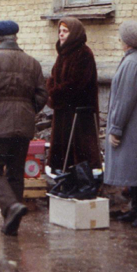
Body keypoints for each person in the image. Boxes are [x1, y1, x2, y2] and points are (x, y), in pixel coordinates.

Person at [0, 20, 48, 236]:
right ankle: (11, 223)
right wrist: (27, 109)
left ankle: (11, 207)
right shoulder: (32, 62)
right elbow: (42, 94)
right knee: (16, 172)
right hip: (23, 125)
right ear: (15, 38)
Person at [104, 21, 137, 228]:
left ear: (127, 41)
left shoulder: (132, 64)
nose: (119, 41)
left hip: (132, 125)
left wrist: (115, 127)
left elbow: (124, 100)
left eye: (121, 38)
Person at [46, 17, 102, 174]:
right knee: (63, 148)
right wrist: (51, 89)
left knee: (79, 150)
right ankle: (64, 177)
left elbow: (76, 83)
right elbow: (52, 77)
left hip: (79, 112)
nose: (61, 35)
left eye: (65, 31)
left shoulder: (84, 53)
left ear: (74, 33)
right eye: (60, 31)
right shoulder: (63, 53)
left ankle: (81, 179)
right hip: (63, 109)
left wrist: (54, 93)